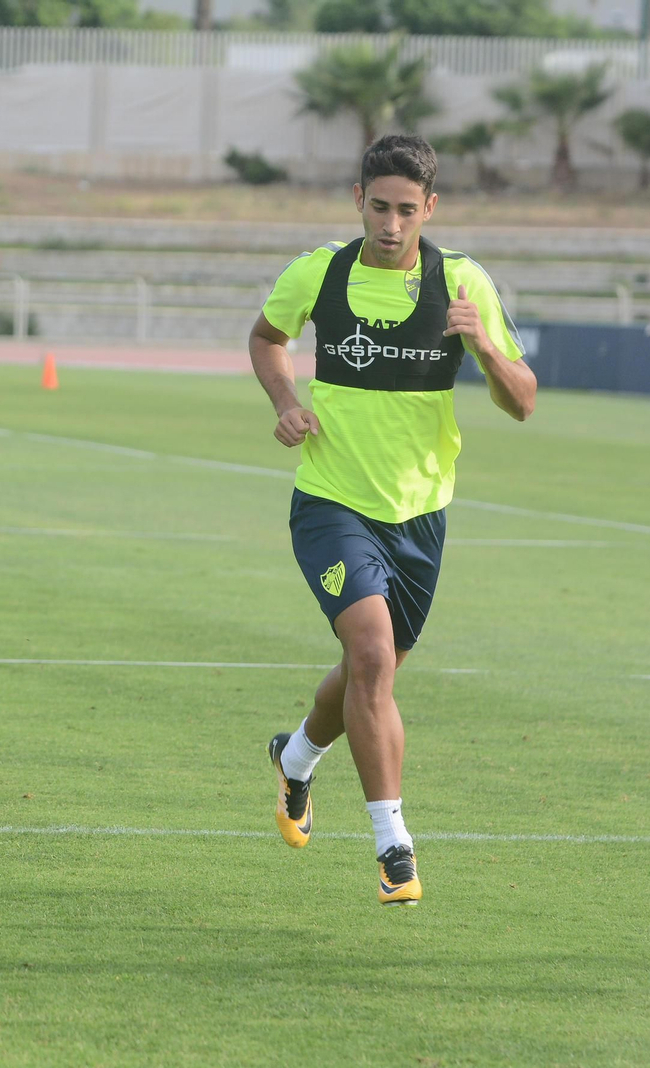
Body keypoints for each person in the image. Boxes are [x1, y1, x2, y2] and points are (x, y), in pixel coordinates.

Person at [248, 135, 536, 906]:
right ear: (358, 200)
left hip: (420, 518)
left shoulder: (461, 282)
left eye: (408, 210)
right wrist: (286, 403)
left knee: (368, 676)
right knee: (372, 656)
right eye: (379, 207)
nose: (391, 223)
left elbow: (523, 400)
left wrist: (481, 343)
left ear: (430, 209)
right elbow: (268, 337)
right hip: (332, 503)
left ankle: (297, 757)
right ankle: (394, 845)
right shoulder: (321, 272)